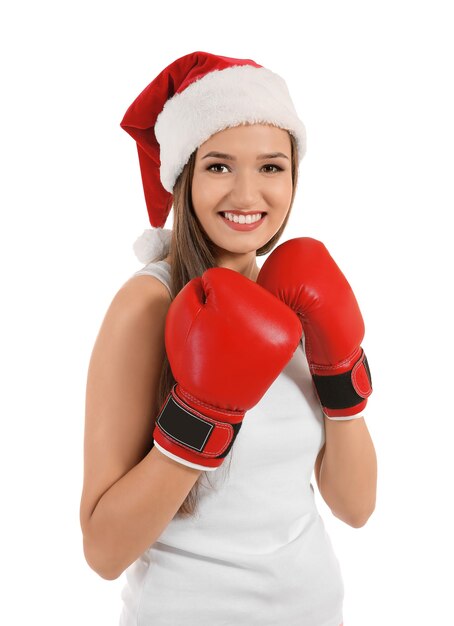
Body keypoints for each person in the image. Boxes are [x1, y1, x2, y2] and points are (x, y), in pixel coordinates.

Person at [79, 51, 377, 626]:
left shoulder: (297, 294)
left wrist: (341, 373)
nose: (246, 194)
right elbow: (103, 551)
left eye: (271, 167)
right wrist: (200, 417)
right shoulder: (147, 304)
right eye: (218, 166)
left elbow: (356, 507)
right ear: (184, 174)